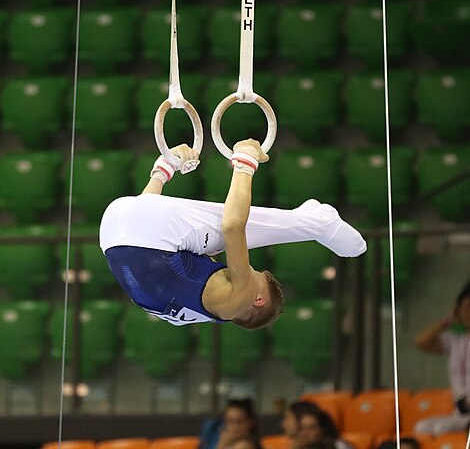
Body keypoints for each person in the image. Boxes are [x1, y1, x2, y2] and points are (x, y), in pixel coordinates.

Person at [99, 139, 367, 328]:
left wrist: (245, 162)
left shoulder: (239, 300)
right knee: (211, 247)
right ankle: (163, 168)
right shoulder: (189, 313)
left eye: (258, 275)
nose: (250, 269)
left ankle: (318, 222)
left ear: (258, 300)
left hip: (148, 234)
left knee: (232, 232)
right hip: (113, 229)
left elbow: (233, 225)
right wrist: (162, 171)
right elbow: (141, 225)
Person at [413, 281, 470, 435]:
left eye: (469, 308)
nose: (466, 312)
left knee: (441, 429)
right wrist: (449, 319)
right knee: (422, 427)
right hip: (461, 413)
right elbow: (421, 341)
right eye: (463, 308)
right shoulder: (456, 340)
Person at [199, 398, 263, 449]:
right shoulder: (228, 442)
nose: (235, 426)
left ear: (251, 422)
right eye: (229, 421)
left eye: (240, 421)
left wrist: (221, 444)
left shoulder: (244, 446)